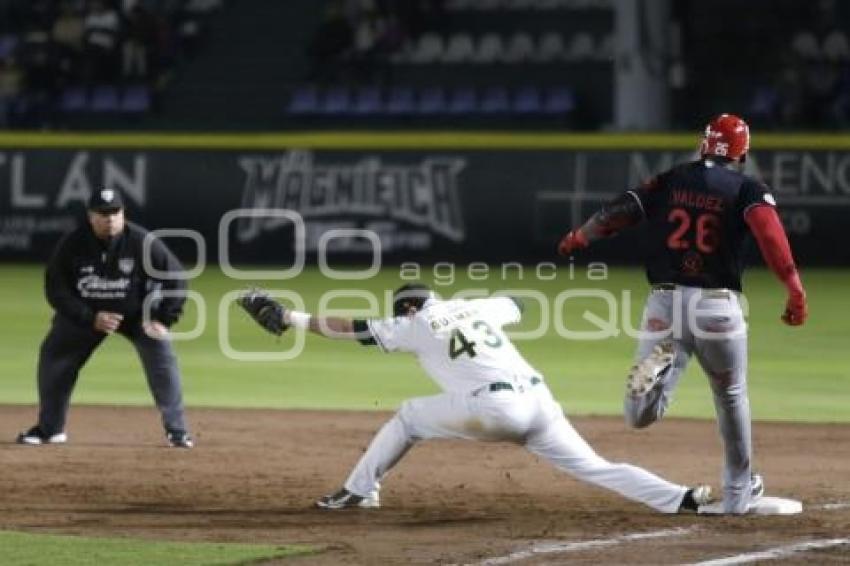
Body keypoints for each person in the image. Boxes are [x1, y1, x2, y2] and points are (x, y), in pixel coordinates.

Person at [239, 284, 712, 513]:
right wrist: (483, 303)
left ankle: (358, 492)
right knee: (596, 467)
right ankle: (683, 498)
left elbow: (349, 328)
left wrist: (289, 317)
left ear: (406, 307)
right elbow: (519, 303)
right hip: (541, 403)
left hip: (494, 409)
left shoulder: (413, 323)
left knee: (407, 417)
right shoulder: (472, 307)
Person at [557, 114, 808, 514]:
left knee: (639, 416)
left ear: (704, 143)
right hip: (715, 308)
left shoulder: (673, 179)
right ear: (742, 151)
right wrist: (793, 286)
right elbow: (769, 234)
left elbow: (622, 209)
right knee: (730, 395)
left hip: (665, 302)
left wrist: (581, 234)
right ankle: (739, 494)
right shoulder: (746, 188)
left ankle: (656, 376)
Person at [16, 188, 193, 448]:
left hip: (136, 316)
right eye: (103, 213)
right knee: (54, 356)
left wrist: (163, 318)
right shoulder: (73, 244)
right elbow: (56, 288)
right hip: (88, 315)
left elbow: (176, 276)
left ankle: (177, 431)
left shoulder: (141, 241)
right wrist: (88, 317)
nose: (110, 218)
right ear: (91, 217)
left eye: (115, 213)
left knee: (162, 356)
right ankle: (50, 429)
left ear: (123, 214)